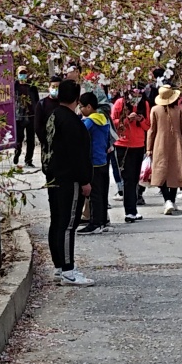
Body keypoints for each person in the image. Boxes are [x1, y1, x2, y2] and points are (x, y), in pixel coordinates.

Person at [42, 78, 94, 284]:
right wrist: (85, 181)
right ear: (76, 97)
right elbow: (77, 155)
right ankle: (68, 269)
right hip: (69, 178)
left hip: (54, 175)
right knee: (68, 224)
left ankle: (58, 265)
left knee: (57, 221)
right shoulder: (72, 121)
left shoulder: (53, 116)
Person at [147, 83, 182, 215]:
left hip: (160, 142)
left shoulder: (155, 110)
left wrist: (149, 147)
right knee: (175, 171)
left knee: (161, 171)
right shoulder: (178, 110)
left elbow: (152, 130)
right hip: (177, 142)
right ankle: (171, 200)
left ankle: (167, 199)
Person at [110, 81, 149, 223]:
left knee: (135, 178)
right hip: (123, 144)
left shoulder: (144, 104)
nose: (136, 96)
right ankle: (129, 211)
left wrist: (141, 119)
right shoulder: (120, 103)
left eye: (139, 93)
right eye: (134, 93)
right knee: (127, 178)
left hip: (138, 145)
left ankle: (133, 209)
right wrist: (127, 120)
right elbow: (113, 122)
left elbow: (147, 126)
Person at [78, 90, 112, 231]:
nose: (80, 109)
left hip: (94, 162)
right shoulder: (104, 119)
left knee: (94, 194)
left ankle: (95, 223)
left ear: (89, 107)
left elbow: (79, 134)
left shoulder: (90, 122)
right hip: (103, 159)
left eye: (81, 106)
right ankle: (103, 221)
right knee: (103, 193)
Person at [12, 67, 39, 167]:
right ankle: (17, 152)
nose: (23, 75)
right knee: (19, 138)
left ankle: (29, 159)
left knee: (30, 139)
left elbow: (36, 99)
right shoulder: (14, 86)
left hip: (31, 115)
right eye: (21, 73)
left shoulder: (31, 86)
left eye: (24, 73)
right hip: (19, 115)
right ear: (17, 74)